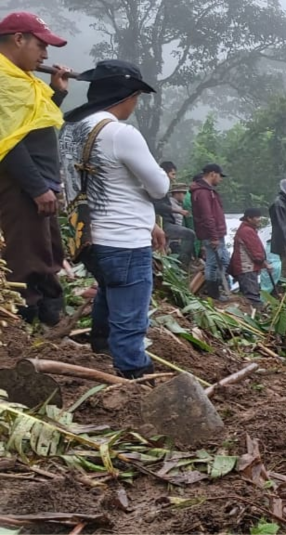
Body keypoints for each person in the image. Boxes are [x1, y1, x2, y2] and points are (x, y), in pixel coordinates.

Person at [59, 59, 169, 379]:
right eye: (136, 97)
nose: (136, 104)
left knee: (110, 287)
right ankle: (132, 369)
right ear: (127, 96)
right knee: (131, 314)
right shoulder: (121, 134)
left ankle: (101, 342)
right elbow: (160, 187)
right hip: (124, 242)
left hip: (86, 236)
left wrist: (148, 222)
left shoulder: (72, 130)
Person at [0, 12, 70, 326]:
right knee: (24, 258)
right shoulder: (3, 82)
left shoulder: (21, 79)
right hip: (21, 185)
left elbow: (33, 123)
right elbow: (8, 143)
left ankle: (49, 320)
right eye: (41, 46)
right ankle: (23, 327)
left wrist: (58, 91)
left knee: (47, 252)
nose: (45, 55)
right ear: (18, 39)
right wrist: (37, 187)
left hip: (39, 185)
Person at [190, 163, 230, 301]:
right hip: (212, 234)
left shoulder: (208, 191)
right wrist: (213, 236)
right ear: (213, 174)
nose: (221, 179)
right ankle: (213, 293)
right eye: (220, 176)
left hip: (217, 233)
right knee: (213, 263)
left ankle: (217, 288)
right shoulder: (202, 192)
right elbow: (207, 216)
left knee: (223, 260)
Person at [230, 208, 271, 310]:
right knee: (252, 297)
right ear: (249, 218)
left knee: (249, 295)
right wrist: (264, 262)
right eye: (257, 217)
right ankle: (257, 314)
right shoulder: (247, 231)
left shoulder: (246, 229)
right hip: (247, 268)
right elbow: (256, 252)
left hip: (245, 267)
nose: (259, 219)